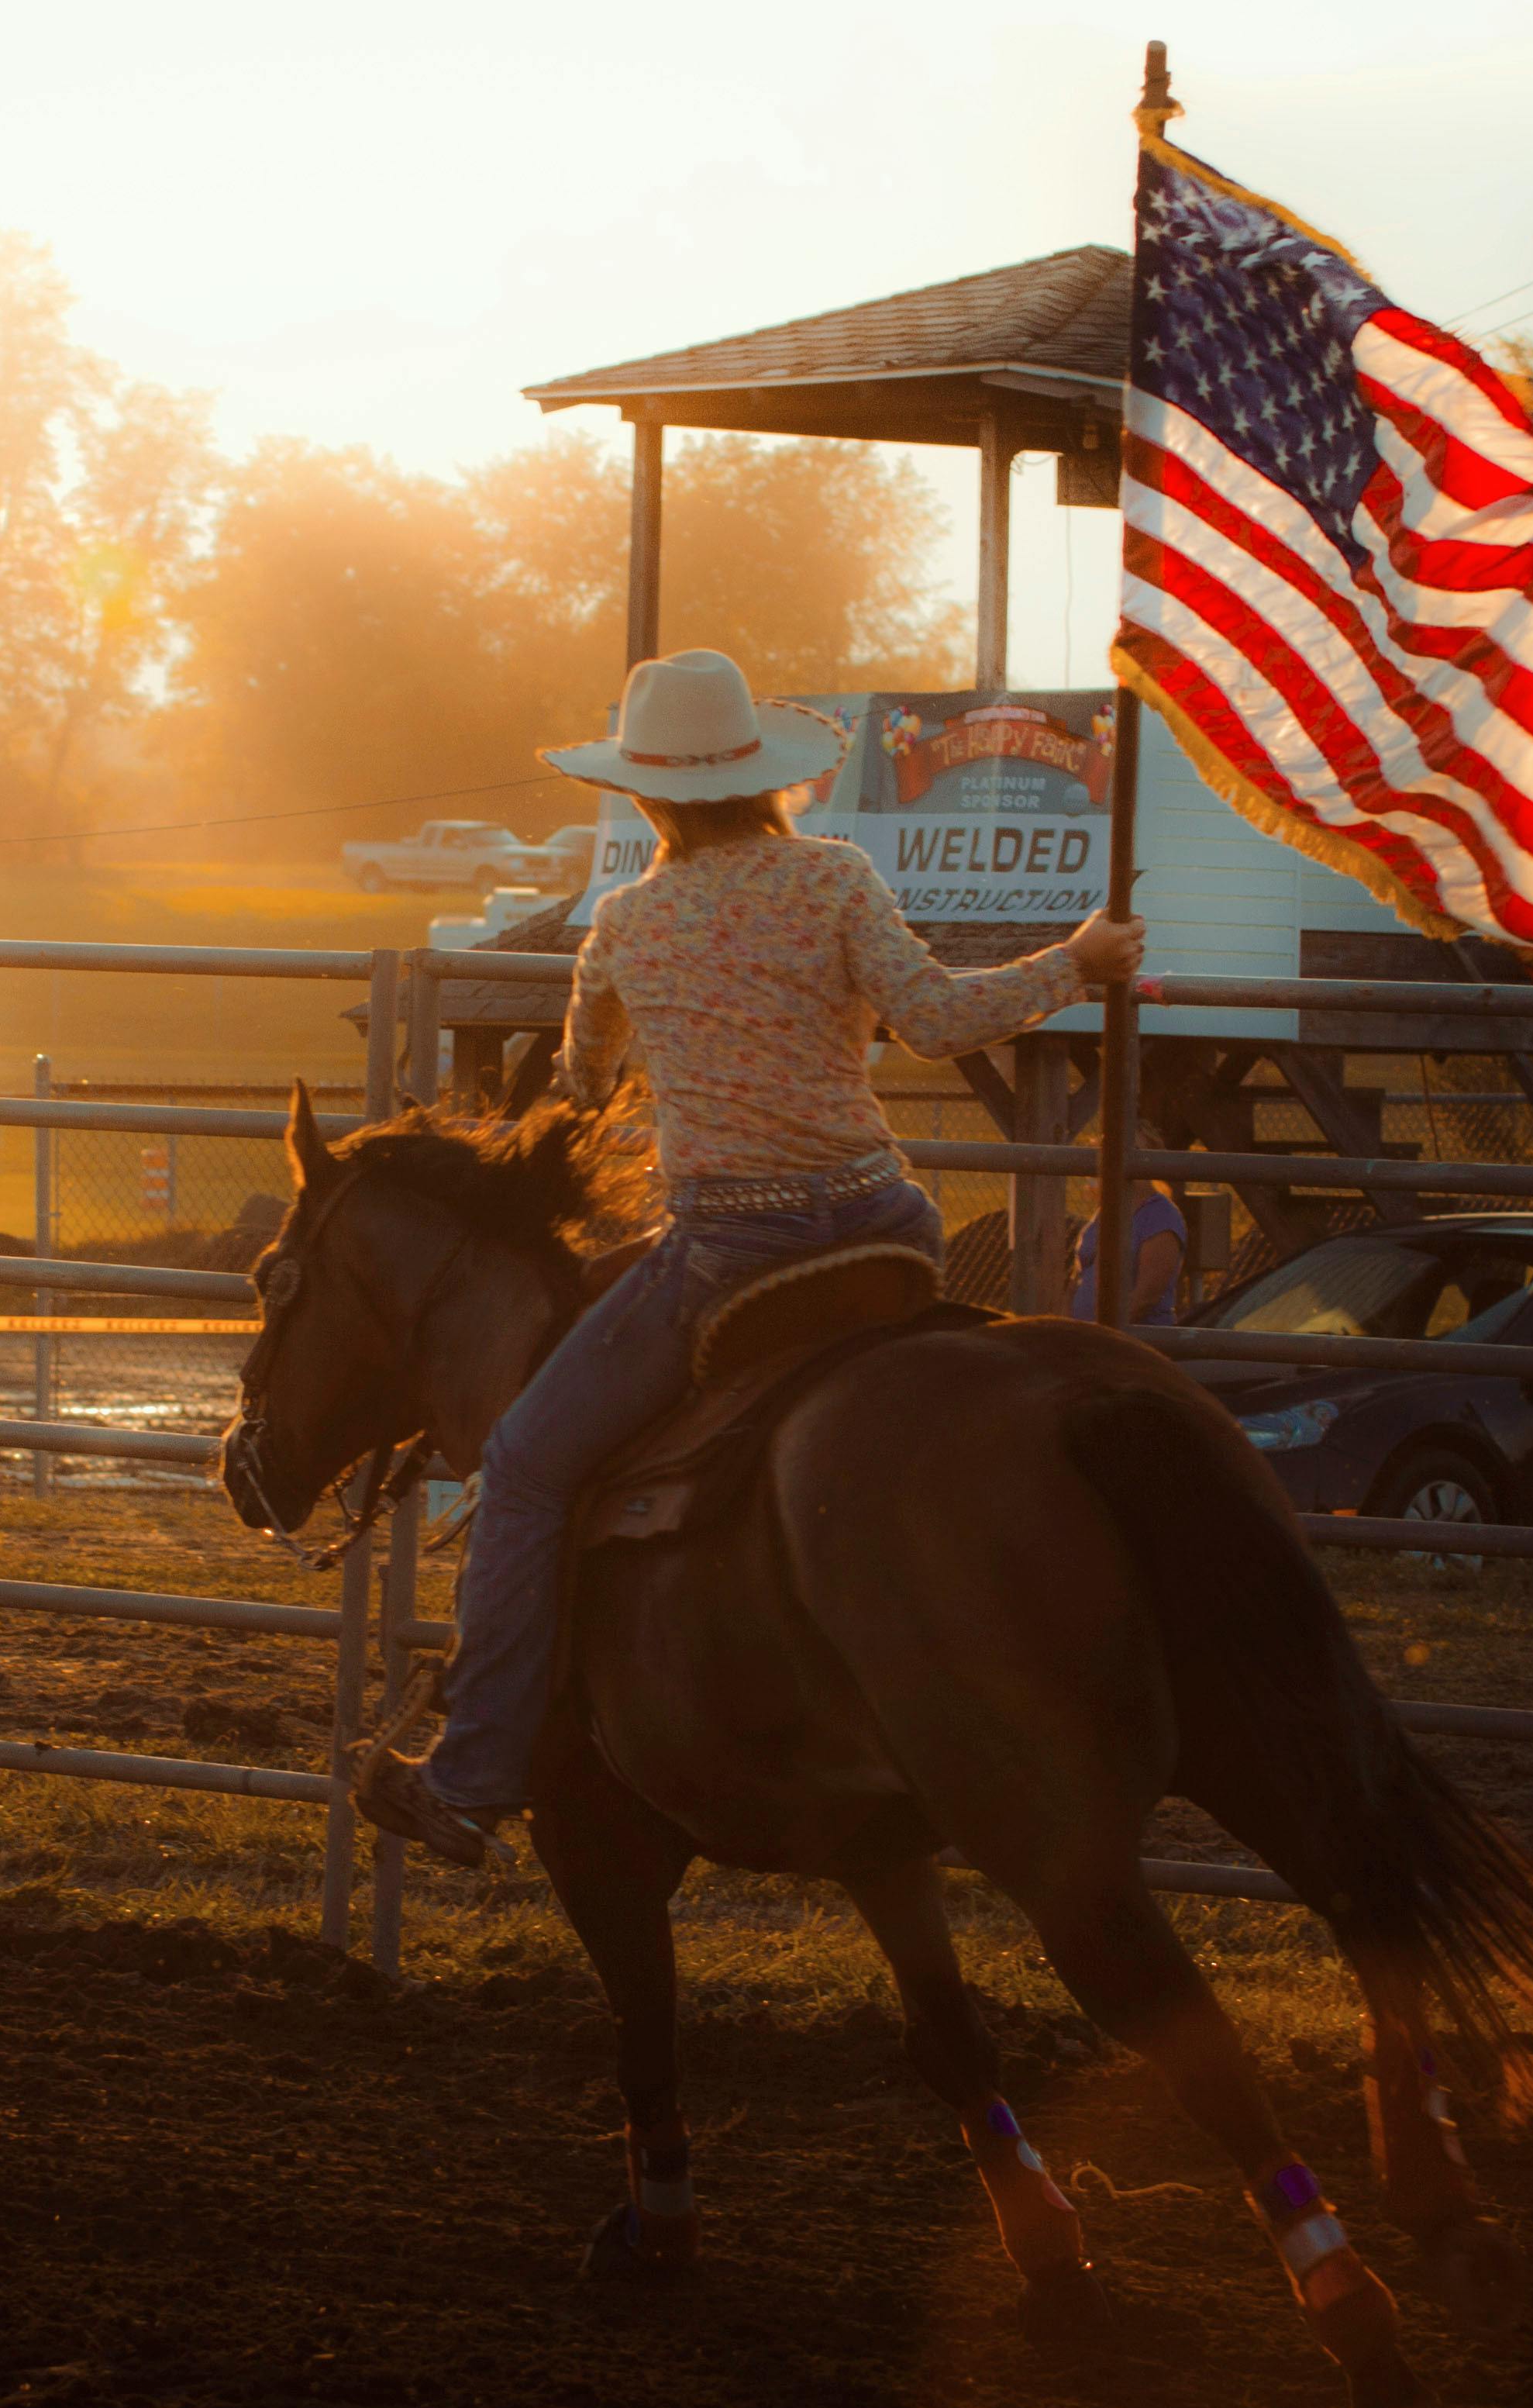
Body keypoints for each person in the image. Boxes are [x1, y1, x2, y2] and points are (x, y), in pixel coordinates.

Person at [350, 649, 1146, 1867]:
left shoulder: (622, 923)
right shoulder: (836, 879)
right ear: (761, 778)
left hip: (734, 1250)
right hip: (887, 1225)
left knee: (519, 1467)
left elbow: (584, 1078)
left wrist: (609, 1079)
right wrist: (1078, 963)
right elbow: (934, 1021)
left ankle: (471, 1776)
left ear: (645, 795)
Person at [1068, 1120, 1190, 1328]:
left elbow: (1146, 1297)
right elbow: (1078, 1278)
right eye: (1108, 1150)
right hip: (1087, 1339)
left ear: (1150, 1158)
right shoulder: (1106, 1211)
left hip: (1130, 1342)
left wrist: (1106, 1332)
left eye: (1133, 1150)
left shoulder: (1161, 1215)